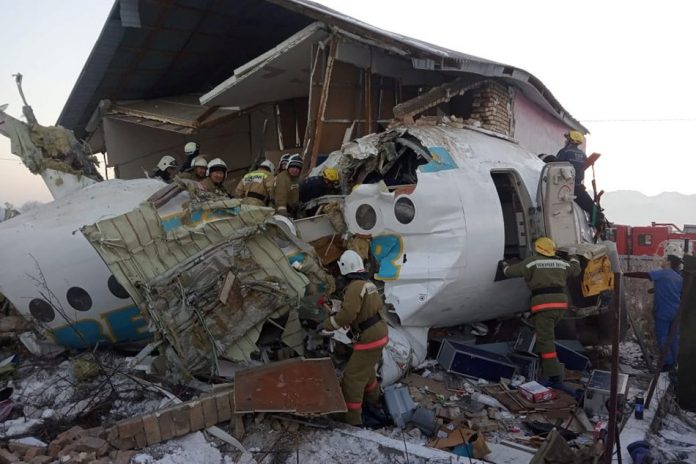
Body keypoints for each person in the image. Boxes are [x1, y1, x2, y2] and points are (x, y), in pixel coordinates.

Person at [320, 250, 388, 426]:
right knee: (366, 371)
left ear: (344, 268)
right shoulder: (368, 284)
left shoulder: (354, 287)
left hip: (370, 337)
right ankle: (375, 402)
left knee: (352, 378)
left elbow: (349, 314)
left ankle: (352, 420)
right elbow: (361, 311)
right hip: (379, 332)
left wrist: (328, 324)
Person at [502, 237, 581, 384]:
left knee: (545, 340)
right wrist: (573, 255)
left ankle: (554, 374)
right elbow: (576, 269)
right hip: (560, 305)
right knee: (537, 328)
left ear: (537, 249)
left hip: (544, 306)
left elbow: (509, 272)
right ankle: (538, 361)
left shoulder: (532, 262)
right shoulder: (561, 263)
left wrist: (504, 265)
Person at [624, 253, 683, 371]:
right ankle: (676, 362)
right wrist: (654, 290)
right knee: (674, 337)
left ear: (668, 263)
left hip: (663, 312)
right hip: (676, 312)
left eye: (664, 259)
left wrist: (624, 273)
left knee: (662, 337)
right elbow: (675, 291)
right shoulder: (678, 277)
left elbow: (645, 275)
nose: (662, 260)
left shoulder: (663, 273)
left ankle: (668, 363)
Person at [555, 131, 598, 219]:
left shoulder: (565, 152)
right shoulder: (583, 155)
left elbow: (556, 167)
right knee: (592, 208)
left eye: (567, 139)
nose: (565, 141)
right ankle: (595, 221)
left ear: (572, 141)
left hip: (563, 187)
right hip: (578, 187)